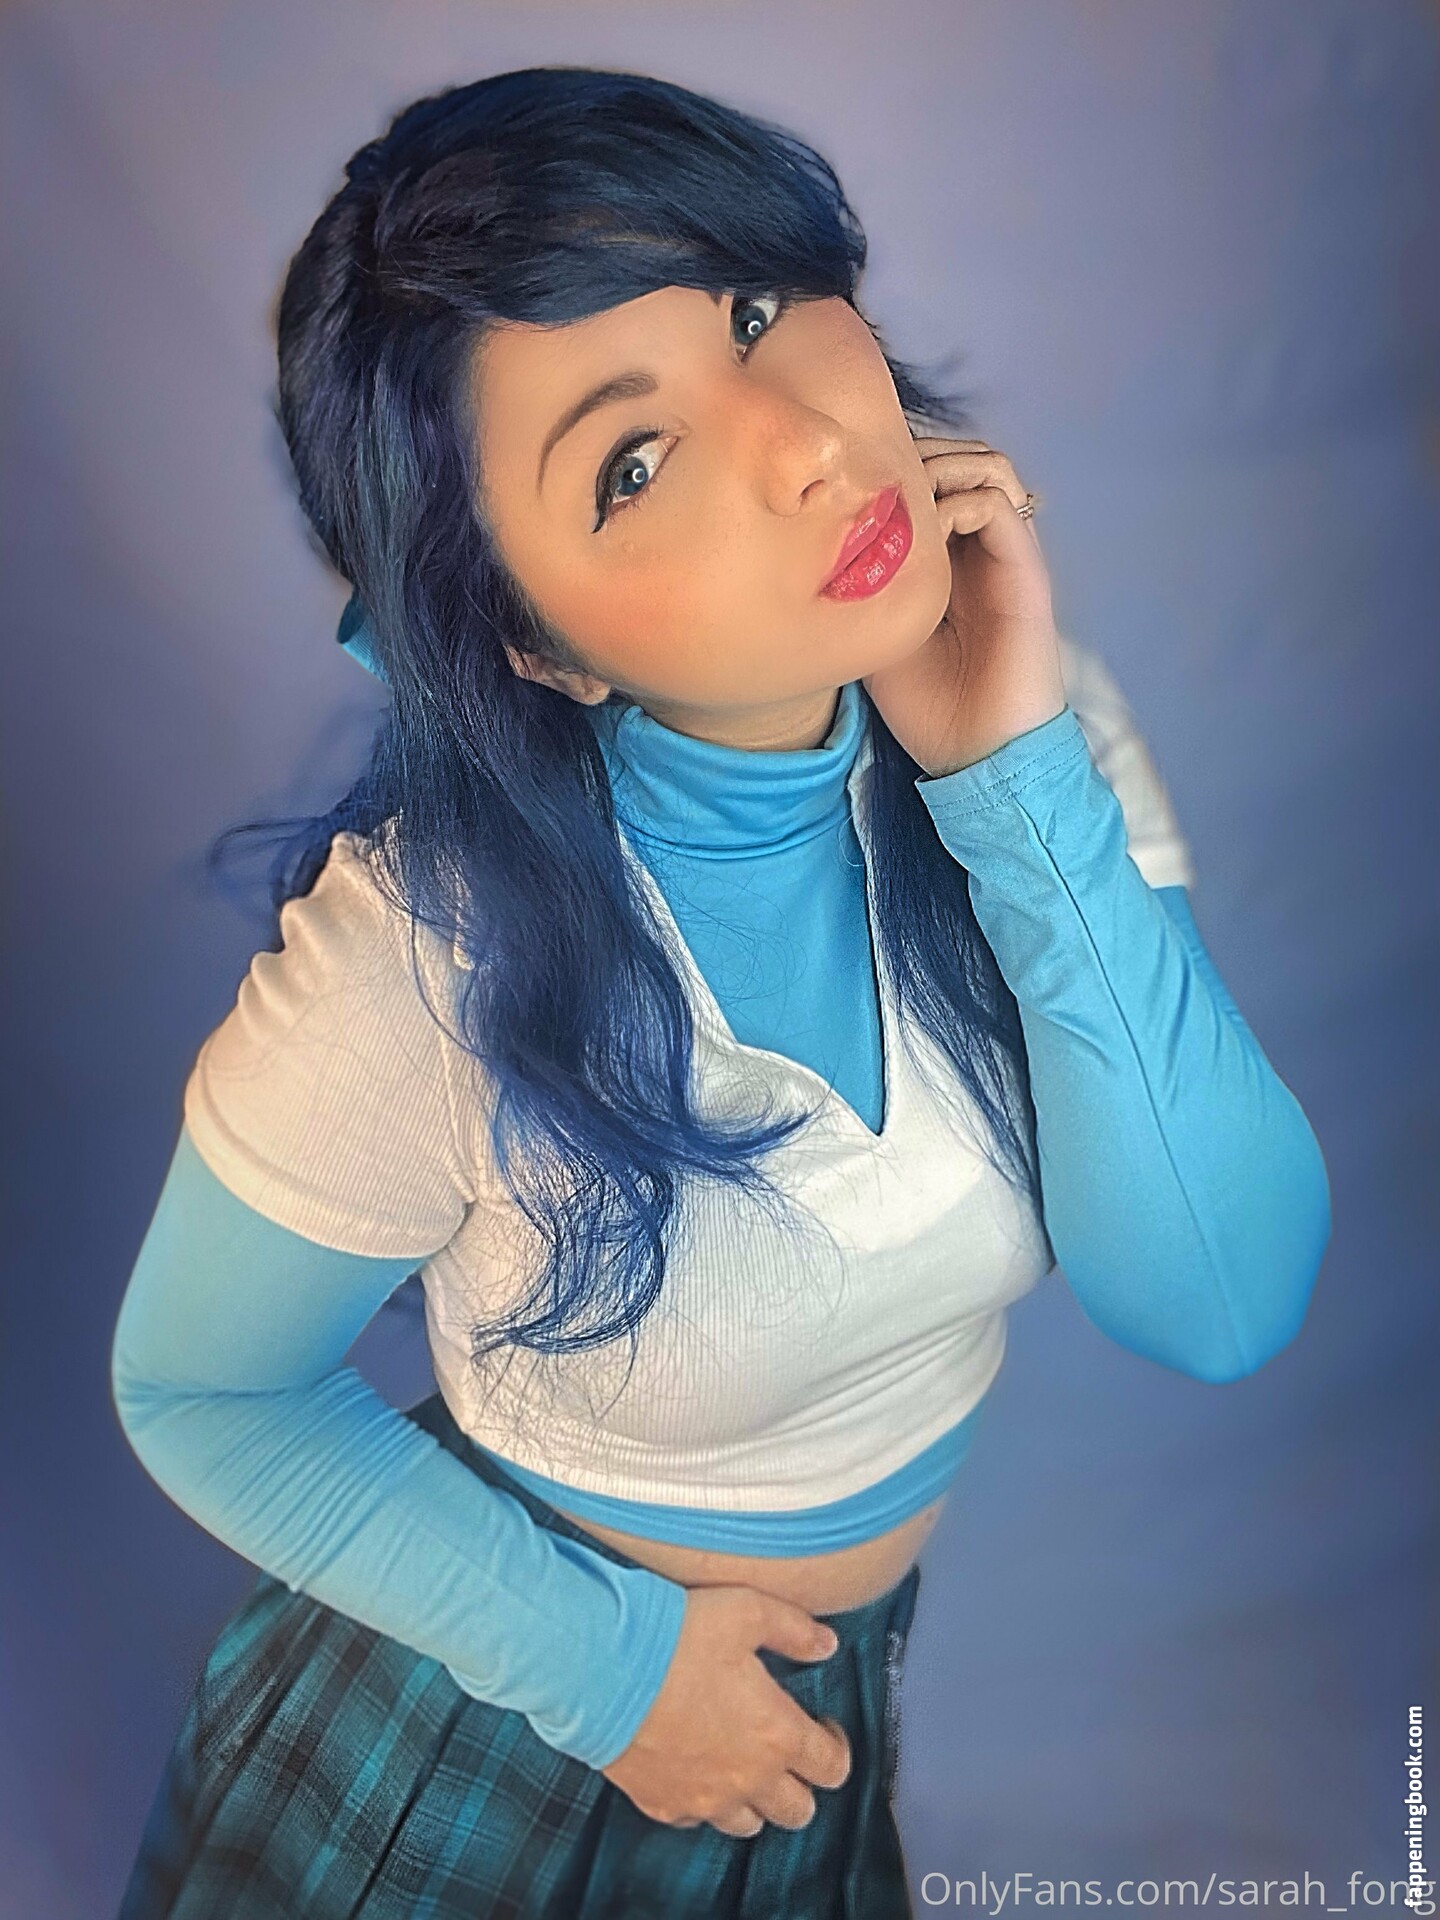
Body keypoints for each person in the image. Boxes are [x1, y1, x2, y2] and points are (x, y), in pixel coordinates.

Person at [110, 66, 1332, 1919]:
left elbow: (1220, 1302)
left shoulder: (1031, 720)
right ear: (529, 639)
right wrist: (612, 1675)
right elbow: (197, 1387)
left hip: (813, 1744)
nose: (805, 447)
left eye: (756, 311)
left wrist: (1014, 791)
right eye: (632, 460)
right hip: (496, 1727)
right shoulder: (428, 953)